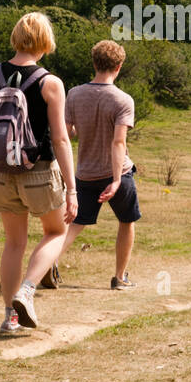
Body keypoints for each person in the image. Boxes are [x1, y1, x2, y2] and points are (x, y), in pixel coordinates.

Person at [0, 12, 77, 332]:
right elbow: (61, 138)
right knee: (56, 232)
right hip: (39, 170)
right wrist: (72, 188)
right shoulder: (51, 83)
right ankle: (28, 288)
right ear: (45, 42)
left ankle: (10, 316)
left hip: (2, 172)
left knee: (13, 242)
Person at [58, 40, 141, 289]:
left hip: (85, 173)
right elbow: (118, 143)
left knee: (75, 224)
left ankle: (48, 264)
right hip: (119, 172)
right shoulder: (123, 100)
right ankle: (119, 277)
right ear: (119, 66)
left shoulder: (74, 94)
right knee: (126, 222)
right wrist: (116, 180)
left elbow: (67, 133)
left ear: (94, 63)